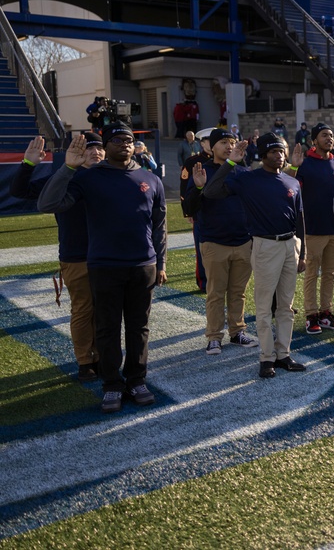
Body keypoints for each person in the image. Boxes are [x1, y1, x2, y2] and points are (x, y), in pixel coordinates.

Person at [37, 124, 167, 413]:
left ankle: (136, 379)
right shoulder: (89, 178)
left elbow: (159, 226)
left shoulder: (150, 178)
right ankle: (111, 384)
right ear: (106, 146)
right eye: (117, 139)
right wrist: (68, 169)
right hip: (104, 265)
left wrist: (161, 261)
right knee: (107, 328)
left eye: (130, 140)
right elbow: (48, 203)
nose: (125, 144)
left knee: (139, 328)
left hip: (142, 265)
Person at [203, 134, 308, 378]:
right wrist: (230, 163)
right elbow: (211, 192)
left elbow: (300, 219)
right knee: (263, 307)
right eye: (273, 151)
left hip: (290, 244)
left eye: (282, 150)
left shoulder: (292, 182)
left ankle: (283, 354)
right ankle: (266, 358)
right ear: (262, 155)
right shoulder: (247, 179)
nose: (279, 155)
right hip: (264, 245)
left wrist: (303, 253)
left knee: (286, 306)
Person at [12, 134, 105, 381]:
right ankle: (86, 361)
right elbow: (19, 190)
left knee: (107, 310)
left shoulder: (112, 176)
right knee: (83, 310)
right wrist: (28, 164)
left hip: (109, 255)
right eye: (88, 148)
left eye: (99, 147)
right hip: (77, 256)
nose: (95, 152)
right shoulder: (62, 178)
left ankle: (104, 356)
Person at [186, 128, 259, 355]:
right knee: (216, 293)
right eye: (223, 142)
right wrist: (198, 187)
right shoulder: (202, 170)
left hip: (242, 240)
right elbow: (188, 208)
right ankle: (214, 336)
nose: (229, 146)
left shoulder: (243, 171)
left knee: (238, 291)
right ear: (212, 146)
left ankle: (237, 332)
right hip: (215, 241)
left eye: (232, 142)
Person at [287, 123, 334, 334]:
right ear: (314, 140)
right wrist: (294, 166)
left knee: (330, 274)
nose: (329, 139)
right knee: (312, 274)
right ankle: (311, 315)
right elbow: (288, 186)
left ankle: (326, 313)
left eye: (331, 135)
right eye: (324, 135)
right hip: (312, 230)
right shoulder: (305, 164)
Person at [180, 127, 214, 291]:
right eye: (209, 141)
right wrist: (188, 211)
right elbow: (184, 188)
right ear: (202, 143)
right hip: (199, 210)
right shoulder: (192, 162)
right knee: (202, 248)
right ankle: (204, 281)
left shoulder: (226, 161)